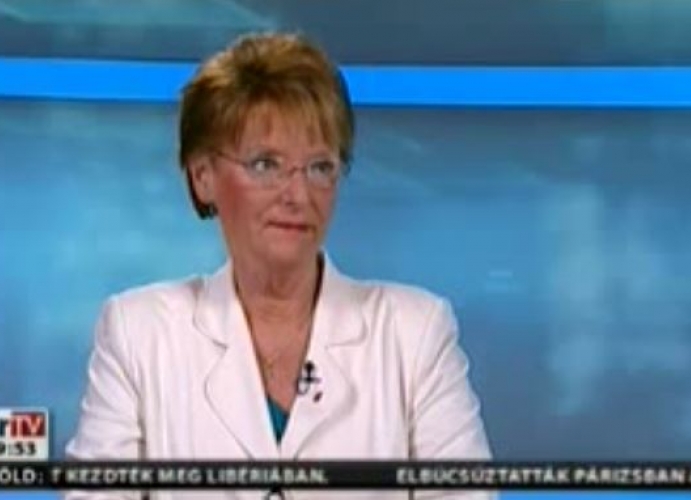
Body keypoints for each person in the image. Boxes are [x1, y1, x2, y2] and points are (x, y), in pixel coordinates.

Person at [66, 31, 492, 499]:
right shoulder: (138, 333)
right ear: (203, 175)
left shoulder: (415, 333)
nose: (298, 195)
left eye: (320, 167)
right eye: (266, 164)